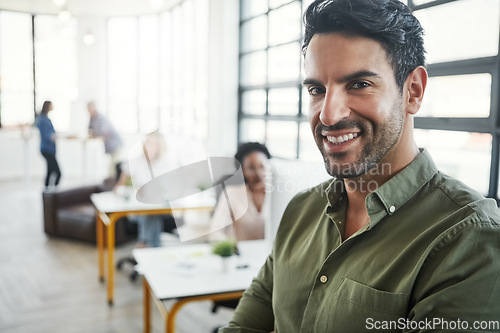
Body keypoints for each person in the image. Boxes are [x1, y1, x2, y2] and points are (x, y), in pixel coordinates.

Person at [221, 1, 500, 332]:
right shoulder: (300, 210)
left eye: (359, 84)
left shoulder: (470, 239)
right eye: (316, 89)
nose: (328, 115)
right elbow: (249, 320)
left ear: (413, 91)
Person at [115, 131, 176, 248]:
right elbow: (119, 188)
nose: (150, 147)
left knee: (152, 212)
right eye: (148, 143)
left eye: (154, 144)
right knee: (150, 214)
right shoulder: (134, 163)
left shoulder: (168, 164)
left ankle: (144, 244)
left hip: (163, 210)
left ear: (160, 147)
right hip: (137, 210)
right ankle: (151, 248)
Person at [208, 142, 271, 242]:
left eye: (262, 167)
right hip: (240, 255)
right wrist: (231, 248)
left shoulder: (277, 196)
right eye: (251, 168)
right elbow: (215, 232)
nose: (259, 174)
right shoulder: (231, 193)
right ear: (243, 171)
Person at [87, 101, 123, 180]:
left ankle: (113, 183)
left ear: (93, 108)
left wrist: (96, 136)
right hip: (109, 146)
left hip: (115, 144)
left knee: (113, 166)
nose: (88, 111)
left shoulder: (101, 118)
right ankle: (112, 182)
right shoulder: (92, 118)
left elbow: (105, 133)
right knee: (112, 165)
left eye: (89, 109)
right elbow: (90, 130)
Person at [36, 101, 61, 190]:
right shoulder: (42, 119)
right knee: (58, 172)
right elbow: (46, 135)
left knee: (50, 171)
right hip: (47, 149)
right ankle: (55, 192)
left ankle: (46, 192)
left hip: (50, 149)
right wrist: (52, 137)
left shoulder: (46, 119)